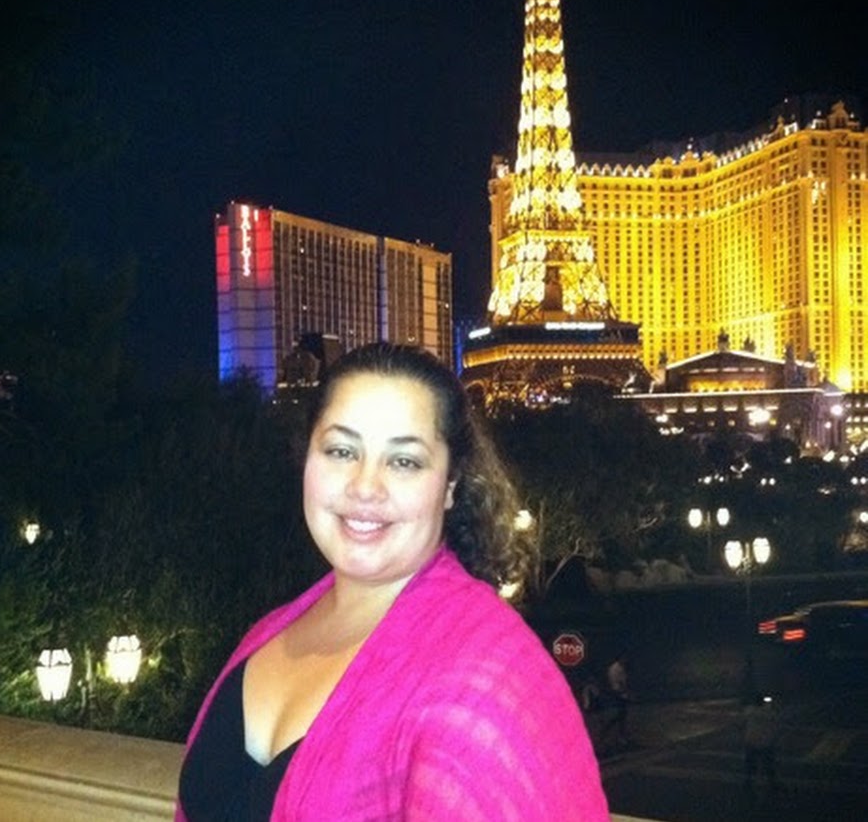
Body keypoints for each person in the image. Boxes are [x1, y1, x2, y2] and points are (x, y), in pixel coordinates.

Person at [175, 341, 609, 821]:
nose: (365, 486)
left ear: (450, 486)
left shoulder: (485, 680)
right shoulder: (266, 633)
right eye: (342, 451)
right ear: (307, 459)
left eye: (404, 461)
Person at [743, 693, 779, 790]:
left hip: (752, 740)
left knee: (750, 763)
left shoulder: (750, 711)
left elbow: (744, 717)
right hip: (766, 741)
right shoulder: (770, 713)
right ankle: (772, 782)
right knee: (768, 763)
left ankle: (748, 781)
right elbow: (775, 721)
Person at [600, 650, 631, 748]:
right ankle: (614, 735)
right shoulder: (616, 668)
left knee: (621, 716)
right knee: (619, 716)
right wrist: (624, 691)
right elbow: (619, 682)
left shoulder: (619, 667)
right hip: (618, 693)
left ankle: (620, 736)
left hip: (619, 693)